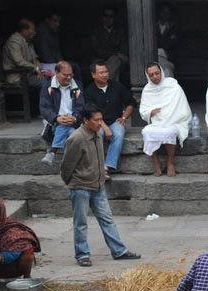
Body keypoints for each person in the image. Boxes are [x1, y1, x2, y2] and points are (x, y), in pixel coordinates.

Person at [60, 103, 141, 267]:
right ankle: (82, 255)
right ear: (85, 120)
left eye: (101, 119)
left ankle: (119, 251)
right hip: (80, 187)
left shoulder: (97, 134)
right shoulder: (76, 138)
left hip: (98, 185)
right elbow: (66, 167)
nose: (99, 123)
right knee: (81, 223)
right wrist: (74, 183)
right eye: (96, 120)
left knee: (107, 219)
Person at [139, 62, 192, 177]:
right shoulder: (147, 89)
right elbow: (143, 110)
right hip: (157, 122)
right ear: (148, 76)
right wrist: (150, 112)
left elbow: (182, 107)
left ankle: (171, 162)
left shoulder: (173, 85)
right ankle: (156, 163)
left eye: (157, 73)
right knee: (146, 132)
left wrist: (170, 116)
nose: (155, 77)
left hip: (174, 121)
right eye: (151, 75)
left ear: (161, 72)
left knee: (169, 132)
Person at [84, 60, 137, 176]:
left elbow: (131, 103)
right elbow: (91, 112)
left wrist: (124, 117)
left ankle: (107, 166)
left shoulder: (117, 86)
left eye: (106, 72)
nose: (105, 75)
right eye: (101, 72)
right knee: (97, 134)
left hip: (115, 120)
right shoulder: (89, 91)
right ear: (93, 75)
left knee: (118, 133)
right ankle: (95, 166)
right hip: (98, 123)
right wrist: (104, 127)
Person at [40, 61, 84, 165]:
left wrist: (74, 117)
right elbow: (44, 108)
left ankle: (52, 152)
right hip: (55, 122)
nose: (69, 78)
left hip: (73, 121)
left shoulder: (77, 85)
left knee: (69, 129)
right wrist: (56, 118)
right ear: (56, 73)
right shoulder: (48, 86)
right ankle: (66, 166)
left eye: (71, 75)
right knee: (73, 135)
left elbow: (80, 106)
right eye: (65, 75)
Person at [2, 19, 48, 88]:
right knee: (46, 82)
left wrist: (41, 70)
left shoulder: (28, 42)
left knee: (51, 79)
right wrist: (36, 68)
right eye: (32, 29)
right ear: (24, 31)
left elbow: (35, 60)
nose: (35, 32)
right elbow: (19, 61)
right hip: (17, 78)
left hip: (28, 75)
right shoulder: (14, 41)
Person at [91, 7, 129, 81]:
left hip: (118, 61)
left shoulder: (120, 31)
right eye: (106, 16)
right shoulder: (96, 31)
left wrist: (117, 56)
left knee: (115, 61)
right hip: (99, 60)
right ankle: (109, 87)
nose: (108, 19)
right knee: (115, 67)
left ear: (115, 18)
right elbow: (97, 50)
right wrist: (116, 54)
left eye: (111, 16)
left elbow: (124, 49)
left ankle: (103, 83)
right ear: (102, 17)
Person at [155, 3, 178, 78]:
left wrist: (160, 46)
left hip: (168, 58)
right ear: (159, 13)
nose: (164, 15)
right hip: (153, 57)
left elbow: (174, 44)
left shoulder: (174, 28)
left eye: (167, 13)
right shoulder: (152, 25)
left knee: (167, 70)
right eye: (163, 12)